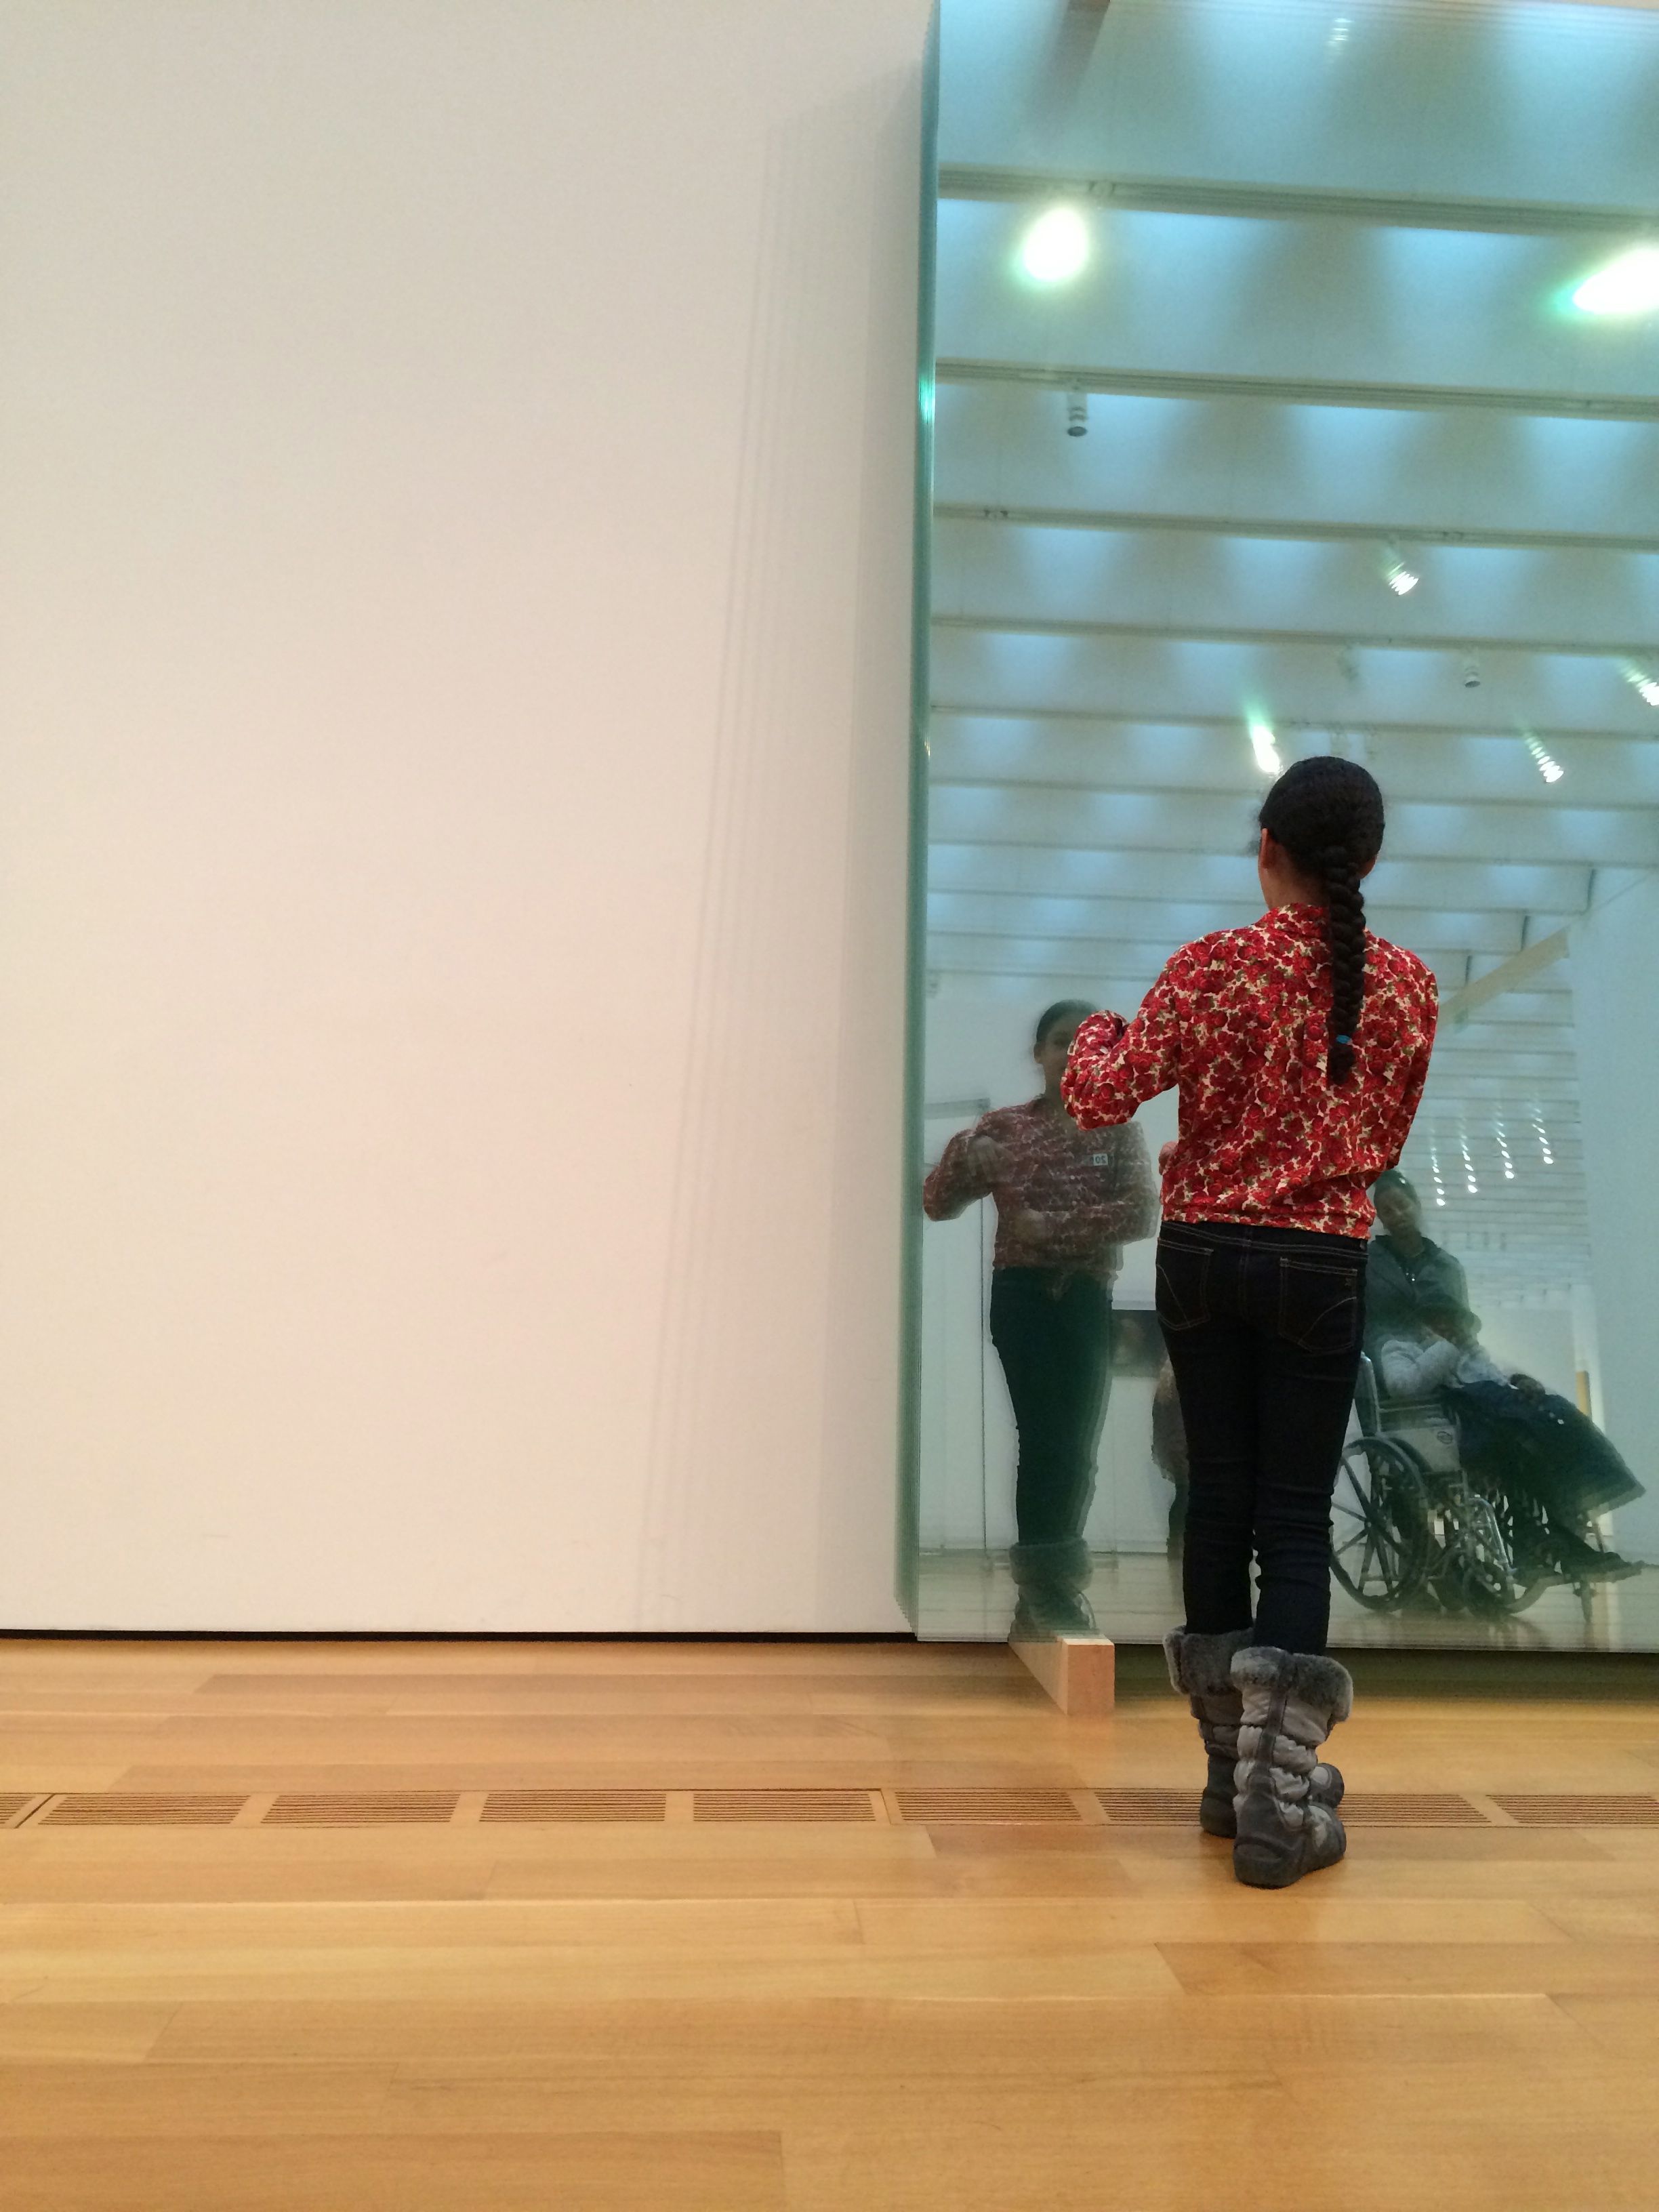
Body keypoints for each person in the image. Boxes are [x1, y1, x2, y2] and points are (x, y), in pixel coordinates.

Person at [1063, 756, 1436, 1888]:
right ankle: (1283, 1799)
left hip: (1202, 1257)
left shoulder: (1211, 966)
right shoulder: (1406, 987)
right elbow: (1385, 1142)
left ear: (1265, 847)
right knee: (1294, 1517)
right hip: (1321, 1263)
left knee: (1217, 1501)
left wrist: (1096, 1030)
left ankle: (1230, 1780)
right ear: (1368, 859)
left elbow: (1098, 1095)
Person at [923, 1000, 1157, 1636]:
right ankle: (1046, 1590)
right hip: (1022, 1298)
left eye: (1090, 1042)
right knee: (1045, 1438)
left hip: (1085, 1298)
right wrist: (967, 1149)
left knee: (1075, 1444)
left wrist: (1051, 1227)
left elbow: (1141, 1213)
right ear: (1038, 1053)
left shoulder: (1118, 1129)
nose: (1074, 1052)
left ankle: (1050, 1586)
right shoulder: (1002, 1127)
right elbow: (938, 1203)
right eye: (1061, 1040)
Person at [1376, 1296, 1642, 1586]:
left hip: (1491, 1425)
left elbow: (1497, 1381)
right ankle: (1544, 1544)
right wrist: (1446, 1348)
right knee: (1523, 1447)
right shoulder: (1399, 1349)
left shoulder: (1473, 1354)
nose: (1452, 1326)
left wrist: (1521, 1380)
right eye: (1442, 1319)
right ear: (1424, 1324)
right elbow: (1402, 1386)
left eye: (1455, 1321)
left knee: (1559, 1433)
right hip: (1448, 1435)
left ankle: (1558, 1540)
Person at [1366, 1170, 1469, 1361]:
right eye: (1387, 1211)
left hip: (1446, 1367)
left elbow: (1463, 1327)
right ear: (1381, 1218)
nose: (1398, 1215)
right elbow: (1367, 1323)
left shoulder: (1448, 1266)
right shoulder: (1369, 1263)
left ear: (1416, 1205)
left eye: (1402, 1205)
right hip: (1387, 1365)